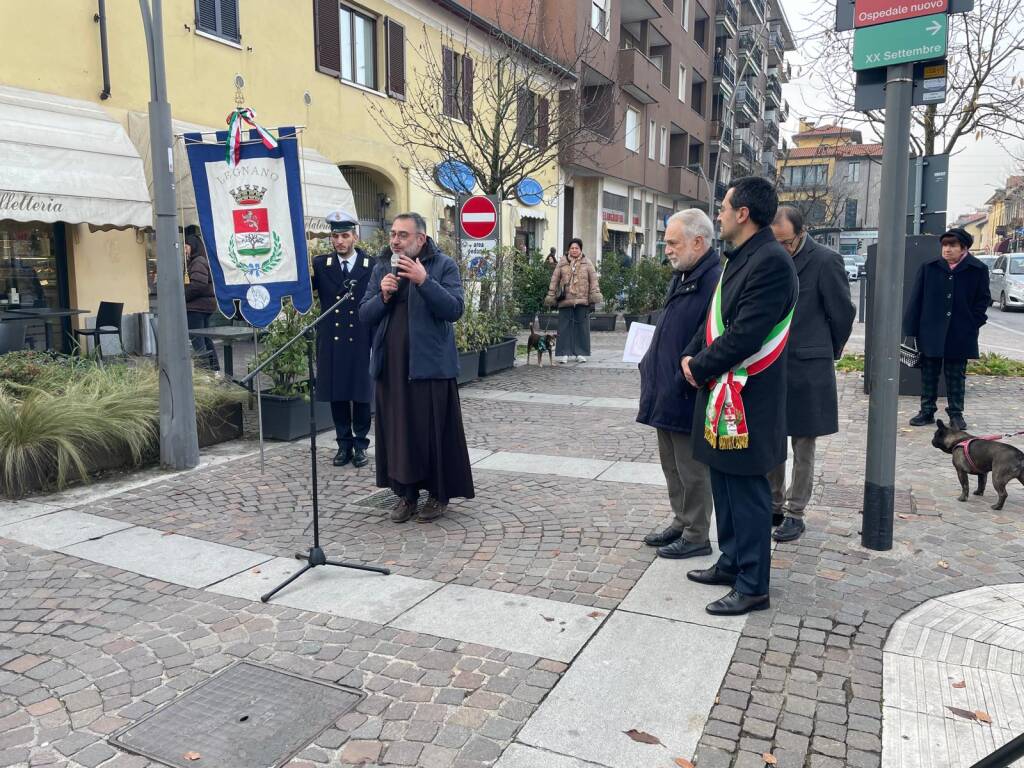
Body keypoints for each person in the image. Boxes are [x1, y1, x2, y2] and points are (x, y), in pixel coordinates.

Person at [681, 177, 798, 616]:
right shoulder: (741, 256)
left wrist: (699, 366)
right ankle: (731, 561)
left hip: (749, 398)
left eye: (724, 207)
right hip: (725, 394)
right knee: (724, 483)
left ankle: (753, 585)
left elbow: (746, 334)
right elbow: (715, 319)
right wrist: (691, 352)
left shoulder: (770, 262)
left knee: (747, 493)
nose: (719, 214)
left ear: (743, 214)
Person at [359, 212, 475, 523]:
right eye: (393, 234)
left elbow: (454, 309)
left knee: (432, 433)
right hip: (392, 368)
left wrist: (424, 281)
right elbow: (365, 314)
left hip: (430, 366)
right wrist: (383, 296)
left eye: (403, 235)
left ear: (420, 239)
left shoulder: (443, 265)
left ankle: (438, 494)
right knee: (400, 434)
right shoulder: (382, 266)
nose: (395, 240)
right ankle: (406, 494)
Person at [766, 206, 855, 543]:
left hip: (808, 365)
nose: (782, 249)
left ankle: (795, 512)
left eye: (786, 243)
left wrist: (829, 349)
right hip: (772, 364)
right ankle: (773, 503)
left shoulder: (825, 260)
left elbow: (843, 312)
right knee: (773, 438)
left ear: (801, 233)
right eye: (776, 243)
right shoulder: (770, 258)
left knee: (803, 444)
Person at [638, 209, 721, 559]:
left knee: (692, 468)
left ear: (698, 242)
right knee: (671, 464)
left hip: (687, 388)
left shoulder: (713, 280)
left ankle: (697, 533)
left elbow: (709, 335)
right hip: (666, 387)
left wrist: (686, 372)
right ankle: (681, 520)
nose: (667, 249)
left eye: (673, 243)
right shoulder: (685, 275)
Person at [903, 227, 990, 430]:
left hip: (960, 332)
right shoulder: (929, 267)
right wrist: (911, 328)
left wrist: (973, 322)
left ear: (964, 248)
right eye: (944, 245)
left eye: (952, 245)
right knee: (929, 373)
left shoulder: (977, 269)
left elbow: (983, 299)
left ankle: (956, 414)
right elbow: (916, 299)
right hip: (930, 330)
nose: (947, 249)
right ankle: (926, 411)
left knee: (956, 375)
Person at [312, 210, 374, 469]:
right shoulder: (320, 264)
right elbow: (306, 290)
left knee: (361, 394)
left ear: (355, 237)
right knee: (337, 394)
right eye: (335, 236)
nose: (339, 241)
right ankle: (343, 444)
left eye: (345, 236)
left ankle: (360, 445)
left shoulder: (370, 265)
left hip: (361, 337)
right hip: (332, 339)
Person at [544, 238, 602, 363]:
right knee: (564, 327)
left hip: (582, 300)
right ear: (568, 249)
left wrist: (594, 294)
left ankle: (579, 353)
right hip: (565, 299)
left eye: (577, 248)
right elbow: (554, 279)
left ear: (580, 249)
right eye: (572, 248)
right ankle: (564, 353)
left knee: (581, 327)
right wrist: (551, 294)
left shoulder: (587, 262)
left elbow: (593, 280)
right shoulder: (562, 262)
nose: (574, 250)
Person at [183, 232, 219, 371]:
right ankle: (213, 370)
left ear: (193, 247)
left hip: (196, 308)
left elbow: (198, 284)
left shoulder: (197, 262)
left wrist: (183, 297)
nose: (184, 250)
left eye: (186, 246)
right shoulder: (201, 260)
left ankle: (204, 372)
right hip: (204, 306)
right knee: (205, 339)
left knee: (198, 341)